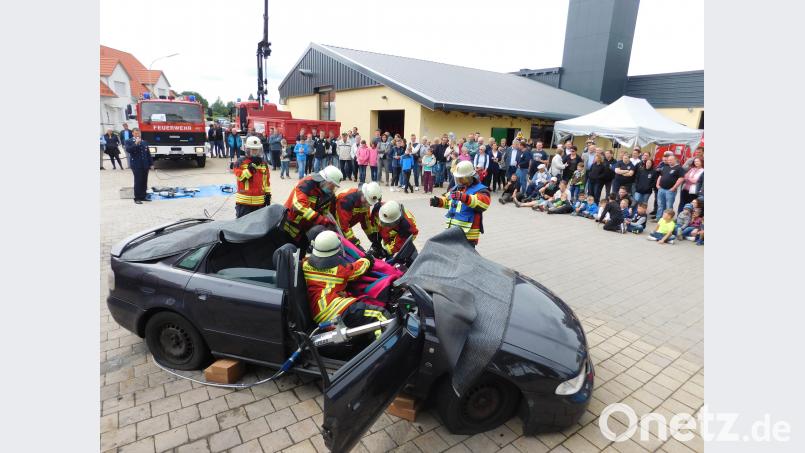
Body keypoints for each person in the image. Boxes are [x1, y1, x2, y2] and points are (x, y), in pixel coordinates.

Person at [302, 230, 390, 332]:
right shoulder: (339, 269)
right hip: (334, 310)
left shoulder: (305, 264)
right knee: (380, 316)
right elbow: (357, 269)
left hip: (319, 313)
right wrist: (368, 259)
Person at [430, 160, 491, 246]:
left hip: (468, 235)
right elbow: (450, 202)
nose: (459, 180)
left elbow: (483, 203)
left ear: (469, 177)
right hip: (452, 231)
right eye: (458, 178)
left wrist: (464, 198)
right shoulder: (457, 188)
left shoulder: (481, 190)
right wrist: (438, 202)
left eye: (462, 178)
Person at [283, 165, 343, 244]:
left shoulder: (328, 194)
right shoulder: (306, 183)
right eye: (332, 186)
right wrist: (322, 220)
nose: (332, 189)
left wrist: (329, 223)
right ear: (325, 180)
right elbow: (299, 207)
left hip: (305, 229)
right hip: (290, 225)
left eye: (335, 187)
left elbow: (325, 212)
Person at [333, 181, 383, 247]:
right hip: (333, 226)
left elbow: (366, 221)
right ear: (362, 193)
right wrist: (354, 242)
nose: (367, 205)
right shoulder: (346, 199)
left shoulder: (365, 202)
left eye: (370, 204)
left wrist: (372, 237)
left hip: (345, 225)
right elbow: (343, 225)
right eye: (367, 201)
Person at [234, 136, 271, 218]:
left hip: (259, 202)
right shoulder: (240, 162)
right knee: (242, 226)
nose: (255, 152)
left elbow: (266, 181)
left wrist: (268, 195)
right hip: (244, 203)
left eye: (256, 149)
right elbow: (241, 178)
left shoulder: (263, 164)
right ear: (247, 149)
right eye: (253, 149)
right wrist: (250, 170)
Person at [125, 128, 153, 205]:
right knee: (138, 181)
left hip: (145, 164)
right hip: (136, 165)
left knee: (144, 181)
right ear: (133, 134)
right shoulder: (129, 141)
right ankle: (137, 198)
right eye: (136, 133)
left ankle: (143, 196)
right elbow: (128, 150)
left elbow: (148, 154)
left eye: (139, 133)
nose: (138, 134)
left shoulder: (144, 142)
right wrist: (136, 143)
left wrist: (151, 164)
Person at [655, 154, 685, 221]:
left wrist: (674, 187)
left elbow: (681, 178)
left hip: (670, 190)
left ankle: (668, 220)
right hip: (661, 189)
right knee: (660, 205)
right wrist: (657, 184)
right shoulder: (666, 167)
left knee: (669, 206)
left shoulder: (679, 168)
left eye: (671, 160)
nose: (669, 161)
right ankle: (658, 218)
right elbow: (660, 176)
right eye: (668, 160)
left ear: (675, 160)